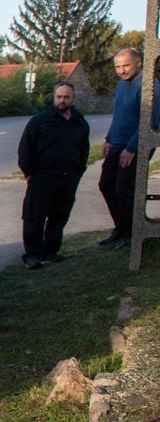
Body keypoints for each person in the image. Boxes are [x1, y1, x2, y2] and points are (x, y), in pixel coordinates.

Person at [18, 81, 89, 268]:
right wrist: (30, 174)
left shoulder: (80, 122)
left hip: (68, 178)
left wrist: (78, 172)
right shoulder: (40, 121)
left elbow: (84, 149)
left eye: (66, 97)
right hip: (42, 177)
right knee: (34, 217)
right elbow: (25, 149)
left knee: (59, 216)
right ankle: (33, 255)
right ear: (54, 98)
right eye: (59, 97)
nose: (62, 101)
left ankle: (50, 252)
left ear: (73, 99)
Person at [98, 48, 160, 249]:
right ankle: (121, 228)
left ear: (139, 62)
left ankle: (134, 233)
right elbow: (119, 114)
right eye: (118, 67)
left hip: (136, 145)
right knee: (106, 184)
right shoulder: (121, 84)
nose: (122, 71)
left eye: (126, 65)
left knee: (124, 189)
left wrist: (132, 148)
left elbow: (151, 121)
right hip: (117, 143)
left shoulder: (150, 86)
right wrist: (108, 138)